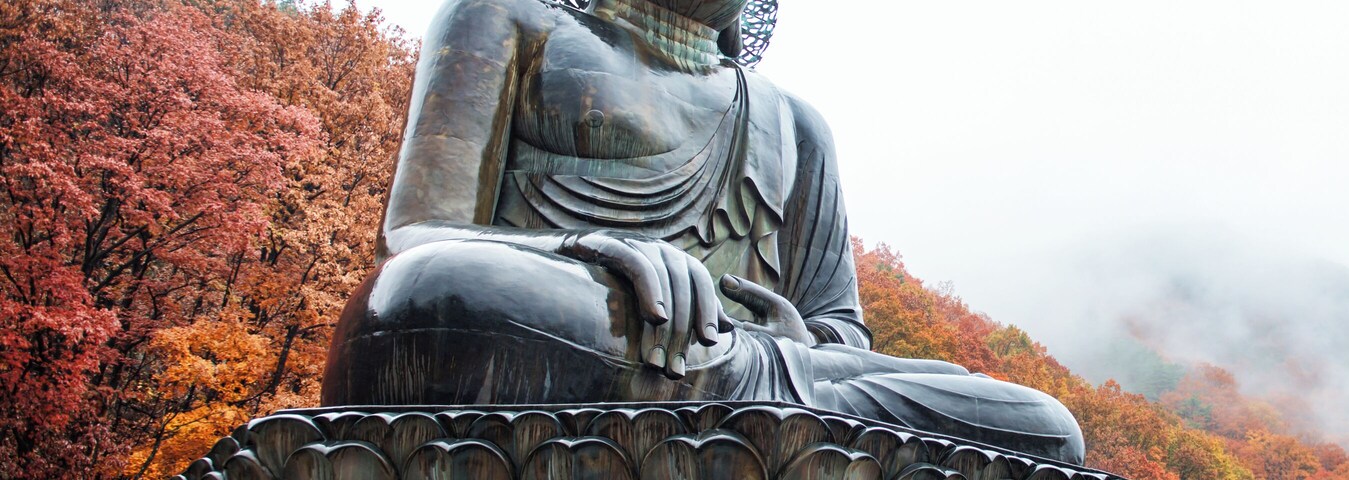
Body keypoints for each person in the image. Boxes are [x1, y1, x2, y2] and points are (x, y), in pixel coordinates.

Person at [318, 0, 1084, 463]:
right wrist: (587, 253)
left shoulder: (793, 121)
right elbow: (418, 236)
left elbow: (840, 334)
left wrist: (796, 344)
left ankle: (746, 402)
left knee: (1045, 427)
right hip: (567, 329)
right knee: (429, 295)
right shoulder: (506, 21)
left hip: (759, 370)